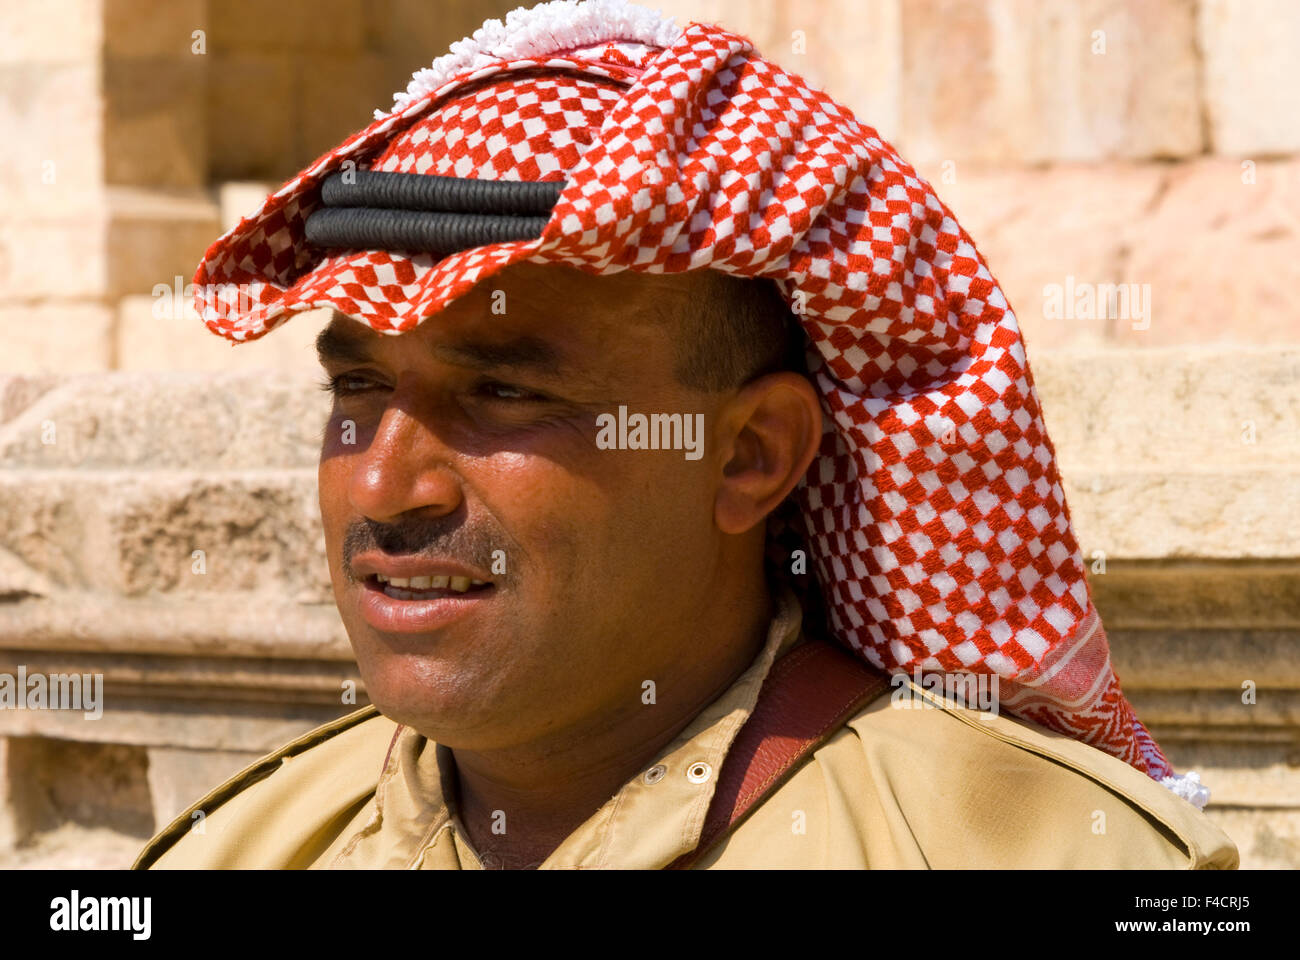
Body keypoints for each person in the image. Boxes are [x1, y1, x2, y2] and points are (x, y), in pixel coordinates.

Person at [134, 0, 1237, 869]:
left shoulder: (1037, 855)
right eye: (359, 393)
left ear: (753, 454)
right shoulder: (239, 850)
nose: (384, 485)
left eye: (507, 398)